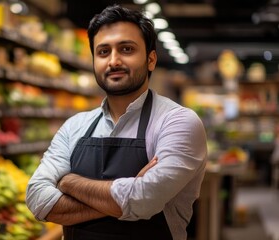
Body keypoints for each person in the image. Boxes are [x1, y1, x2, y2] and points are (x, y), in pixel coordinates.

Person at [26, 4, 207, 240]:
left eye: (126, 49)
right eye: (103, 52)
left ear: (151, 60)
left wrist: (68, 182)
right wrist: (126, 195)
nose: (113, 61)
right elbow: (38, 201)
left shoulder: (177, 122)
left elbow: (142, 201)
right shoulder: (74, 126)